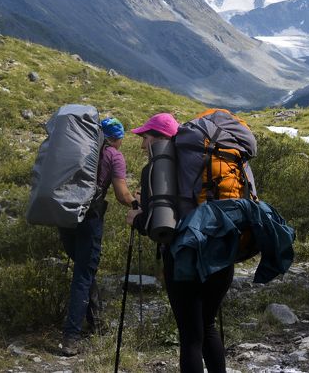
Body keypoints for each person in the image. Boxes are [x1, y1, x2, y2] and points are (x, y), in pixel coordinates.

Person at [125, 112, 233, 373]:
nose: (142, 145)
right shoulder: (206, 160)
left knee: (191, 338)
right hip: (221, 254)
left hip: (184, 261)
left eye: (146, 137)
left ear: (158, 138)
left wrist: (135, 219)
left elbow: (158, 226)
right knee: (207, 328)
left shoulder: (156, 169)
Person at [58, 116, 135, 356]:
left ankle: (98, 322)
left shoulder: (78, 147)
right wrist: (139, 202)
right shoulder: (113, 155)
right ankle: (71, 337)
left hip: (65, 215)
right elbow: (122, 195)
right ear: (115, 139)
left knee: (84, 270)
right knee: (83, 274)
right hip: (89, 218)